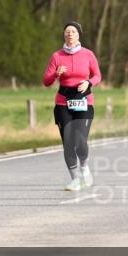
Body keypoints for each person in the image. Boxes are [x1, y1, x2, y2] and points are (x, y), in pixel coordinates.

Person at [43, 21, 102, 191]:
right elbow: (46, 81)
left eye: (73, 32)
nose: (69, 34)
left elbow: (97, 75)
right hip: (63, 102)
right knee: (68, 142)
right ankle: (75, 178)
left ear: (78, 35)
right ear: (64, 35)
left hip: (84, 101)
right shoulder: (57, 56)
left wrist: (88, 82)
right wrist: (56, 74)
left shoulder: (88, 54)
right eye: (67, 32)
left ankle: (84, 166)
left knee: (80, 142)